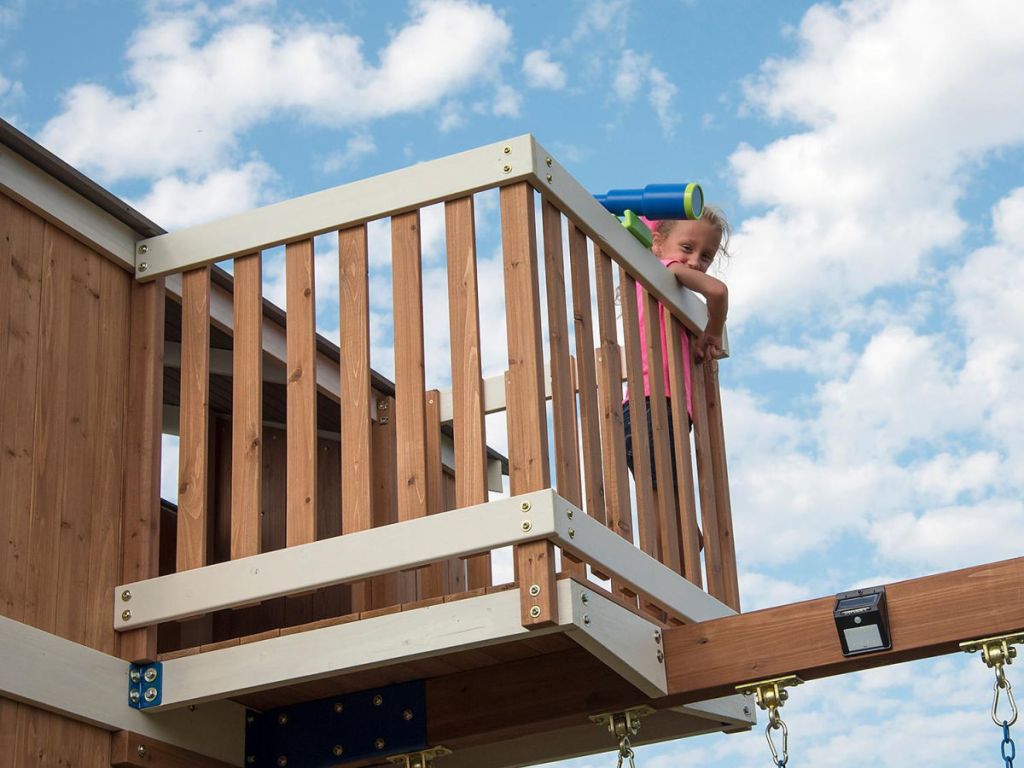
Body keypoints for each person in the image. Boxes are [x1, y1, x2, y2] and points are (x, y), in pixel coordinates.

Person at [622, 205, 731, 490]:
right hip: (652, 403)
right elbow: (718, 292)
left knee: (674, 506)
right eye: (686, 247)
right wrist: (713, 333)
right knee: (668, 505)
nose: (694, 261)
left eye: (705, 256)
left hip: (667, 408)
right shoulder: (662, 269)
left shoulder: (673, 299)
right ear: (657, 244)